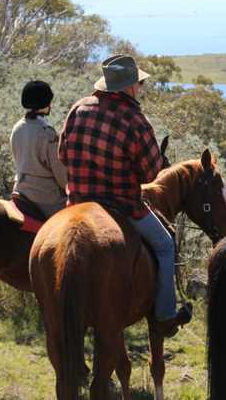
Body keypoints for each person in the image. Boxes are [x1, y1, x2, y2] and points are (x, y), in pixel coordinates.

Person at [58, 54, 190, 334]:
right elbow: (150, 174)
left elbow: (62, 155)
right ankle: (166, 316)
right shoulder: (134, 119)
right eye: (139, 84)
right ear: (130, 87)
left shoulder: (78, 108)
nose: (140, 88)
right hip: (123, 207)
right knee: (166, 245)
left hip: (76, 204)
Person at [10, 81, 68, 218]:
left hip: (21, 191)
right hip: (45, 198)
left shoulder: (17, 127)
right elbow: (61, 177)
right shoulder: (47, 133)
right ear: (45, 103)